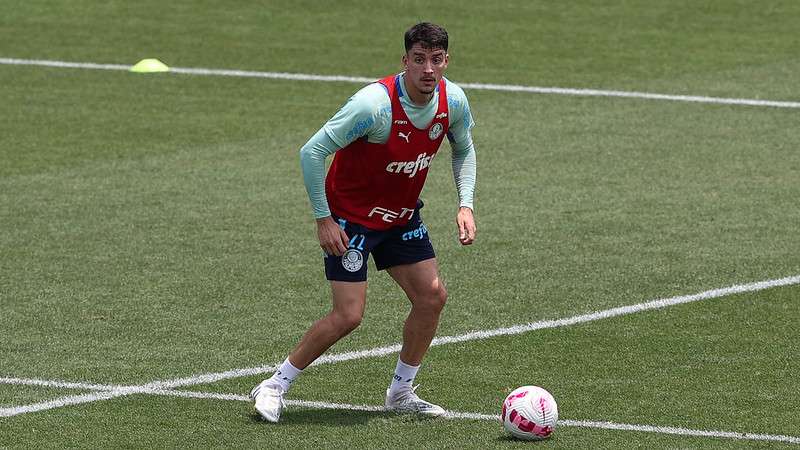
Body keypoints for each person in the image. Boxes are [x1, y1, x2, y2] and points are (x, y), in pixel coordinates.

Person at [251, 22, 477, 422]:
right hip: (350, 220)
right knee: (349, 316)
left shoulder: (452, 101)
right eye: (420, 60)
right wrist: (324, 219)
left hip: (401, 217)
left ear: (446, 61)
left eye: (436, 60)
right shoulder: (373, 106)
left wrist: (465, 204)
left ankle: (401, 392)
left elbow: (464, 148)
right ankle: (274, 385)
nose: (428, 69)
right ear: (405, 61)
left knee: (432, 297)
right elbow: (312, 151)